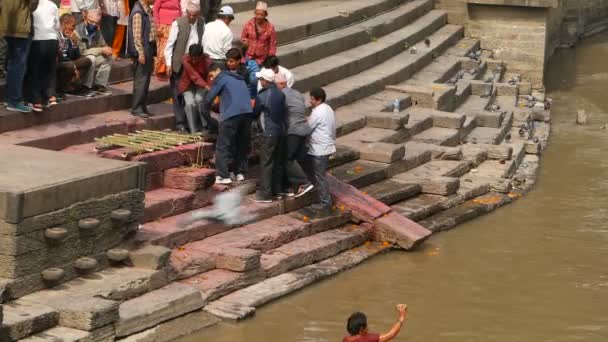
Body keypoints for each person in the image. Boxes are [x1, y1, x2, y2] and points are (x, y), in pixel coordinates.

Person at [206, 63, 253, 185]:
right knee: (241, 144)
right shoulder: (239, 79)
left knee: (222, 146)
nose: (211, 79)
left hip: (231, 114)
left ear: (217, 70)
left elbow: (208, 99)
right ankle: (240, 172)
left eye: (211, 75)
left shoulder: (221, 78)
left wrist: (206, 115)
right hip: (247, 113)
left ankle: (223, 175)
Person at [165, 0, 205, 131]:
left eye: (195, 15)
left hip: (194, 63)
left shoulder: (201, 23)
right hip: (179, 64)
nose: (192, 17)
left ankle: (191, 123)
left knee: (190, 96)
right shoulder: (178, 23)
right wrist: (169, 64)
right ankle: (180, 123)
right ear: (186, 13)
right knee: (177, 95)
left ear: (198, 14)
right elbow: (169, 46)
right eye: (190, 15)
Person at [276, 74, 314, 198]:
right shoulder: (297, 93)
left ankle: (304, 182)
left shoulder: (282, 95)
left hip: (294, 131)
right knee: (298, 158)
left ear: (280, 84)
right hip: (304, 129)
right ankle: (292, 187)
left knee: (288, 159)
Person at [253, 68, 286, 202]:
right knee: (277, 162)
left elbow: (255, 112)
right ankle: (277, 191)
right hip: (280, 131)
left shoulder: (263, 96)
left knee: (266, 163)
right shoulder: (280, 93)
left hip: (269, 133)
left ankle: (266, 194)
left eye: (261, 79)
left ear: (265, 81)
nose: (259, 81)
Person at [0, 0, 39, 113]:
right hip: (21, 27)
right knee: (18, 65)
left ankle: (10, 98)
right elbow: (33, 5)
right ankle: (14, 100)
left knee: (13, 64)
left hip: (6, 24)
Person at [24, 0, 60, 112]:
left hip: (37, 40)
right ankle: (51, 97)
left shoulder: (31, 5)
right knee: (50, 70)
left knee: (35, 70)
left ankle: (36, 100)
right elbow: (57, 25)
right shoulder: (53, 5)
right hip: (52, 40)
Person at [306, 87, 336, 215]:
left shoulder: (317, 112)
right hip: (327, 145)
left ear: (318, 100)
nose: (310, 101)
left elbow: (308, 127)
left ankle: (325, 204)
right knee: (320, 175)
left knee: (320, 177)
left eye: (312, 99)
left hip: (320, 149)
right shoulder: (327, 108)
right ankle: (322, 199)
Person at [127, 0, 157, 117]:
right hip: (143, 49)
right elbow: (136, 36)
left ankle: (142, 106)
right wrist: (141, 53)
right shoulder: (138, 12)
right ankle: (137, 107)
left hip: (148, 47)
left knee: (146, 80)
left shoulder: (146, 10)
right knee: (141, 79)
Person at [75, 8, 114, 95]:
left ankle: (99, 85)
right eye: (91, 21)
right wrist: (101, 50)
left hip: (91, 55)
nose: (94, 24)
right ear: (85, 18)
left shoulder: (97, 30)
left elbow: (103, 44)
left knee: (109, 57)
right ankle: (86, 86)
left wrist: (107, 49)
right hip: (79, 58)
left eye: (96, 23)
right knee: (91, 58)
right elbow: (82, 52)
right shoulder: (77, 30)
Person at [56, 13, 94, 97]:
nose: (74, 28)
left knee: (87, 61)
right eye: (72, 26)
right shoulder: (56, 35)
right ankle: (63, 88)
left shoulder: (70, 35)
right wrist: (73, 66)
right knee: (69, 65)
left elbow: (76, 56)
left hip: (68, 62)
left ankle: (71, 85)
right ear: (65, 24)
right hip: (58, 63)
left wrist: (74, 42)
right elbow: (59, 56)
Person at [177, 44, 212, 133]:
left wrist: (208, 86)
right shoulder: (185, 59)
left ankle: (205, 126)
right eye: (192, 58)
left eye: (196, 58)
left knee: (199, 99)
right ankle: (193, 130)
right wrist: (205, 86)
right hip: (187, 84)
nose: (194, 61)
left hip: (203, 84)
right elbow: (194, 75)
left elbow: (210, 75)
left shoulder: (207, 60)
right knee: (189, 103)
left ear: (201, 56)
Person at [344, 304, 408, 342]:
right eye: (366, 325)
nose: (367, 327)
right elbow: (391, 335)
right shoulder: (366, 338)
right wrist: (402, 316)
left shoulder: (346, 339)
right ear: (361, 329)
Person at [153, 0, 182, 79]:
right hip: (163, 25)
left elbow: (180, 9)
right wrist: (157, 24)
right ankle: (160, 71)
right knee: (162, 49)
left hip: (174, 25)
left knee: (171, 48)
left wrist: (180, 22)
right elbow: (155, 9)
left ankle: (167, 71)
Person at [241, 1, 276, 66]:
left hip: (262, 59)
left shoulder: (270, 28)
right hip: (249, 57)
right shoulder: (248, 24)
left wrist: (270, 59)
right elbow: (243, 38)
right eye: (257, 14)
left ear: (265, 15)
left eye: (261, 15)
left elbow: (272, 45)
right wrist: (245, 42)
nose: (259, 16)